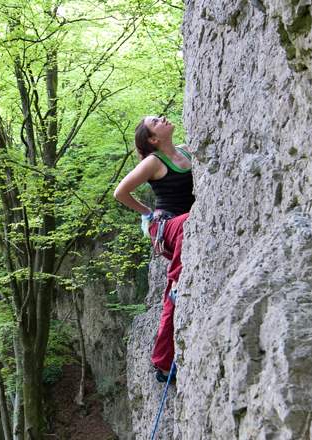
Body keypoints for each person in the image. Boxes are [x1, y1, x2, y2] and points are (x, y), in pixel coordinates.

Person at [113, 115, 193, 383]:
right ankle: (163, 360)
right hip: (168, 225)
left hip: (186, 225)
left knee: (192, 221)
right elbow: (120, 192)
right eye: (156, 121)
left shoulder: (185, 150)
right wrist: (147, 213)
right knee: (189, 223)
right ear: (153, 139)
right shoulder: (153, 162)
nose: (163, 118)